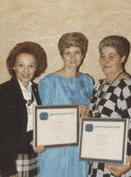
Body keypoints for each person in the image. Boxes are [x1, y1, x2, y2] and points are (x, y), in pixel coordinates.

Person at [38, 32, 94, 177]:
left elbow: (92, 117)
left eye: (77, 52)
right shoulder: (48, 82)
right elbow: (43, 120)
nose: (73, 57)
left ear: (83, 55)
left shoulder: (88, 81)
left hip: (78, 148)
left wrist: (87, 112)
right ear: (62, 55)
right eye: (68, 52)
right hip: (55, 149)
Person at [87, 35, 131, 177]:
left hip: (119, 163)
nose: (106, 61)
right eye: (102, 56)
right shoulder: (99, 85)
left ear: (123, 58)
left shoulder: (128, 87)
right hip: (98, 158)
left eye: (112, 56)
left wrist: (129, 162)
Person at [0, 41, 47, 177]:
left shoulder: (38, 90)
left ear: (36, 68)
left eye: (31, 66)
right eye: (21, 65)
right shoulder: (2, 91)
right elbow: (0, 135)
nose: (26, 70)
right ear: (13, 66)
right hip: (10, 160)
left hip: (33, 157)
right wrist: (9, 171)